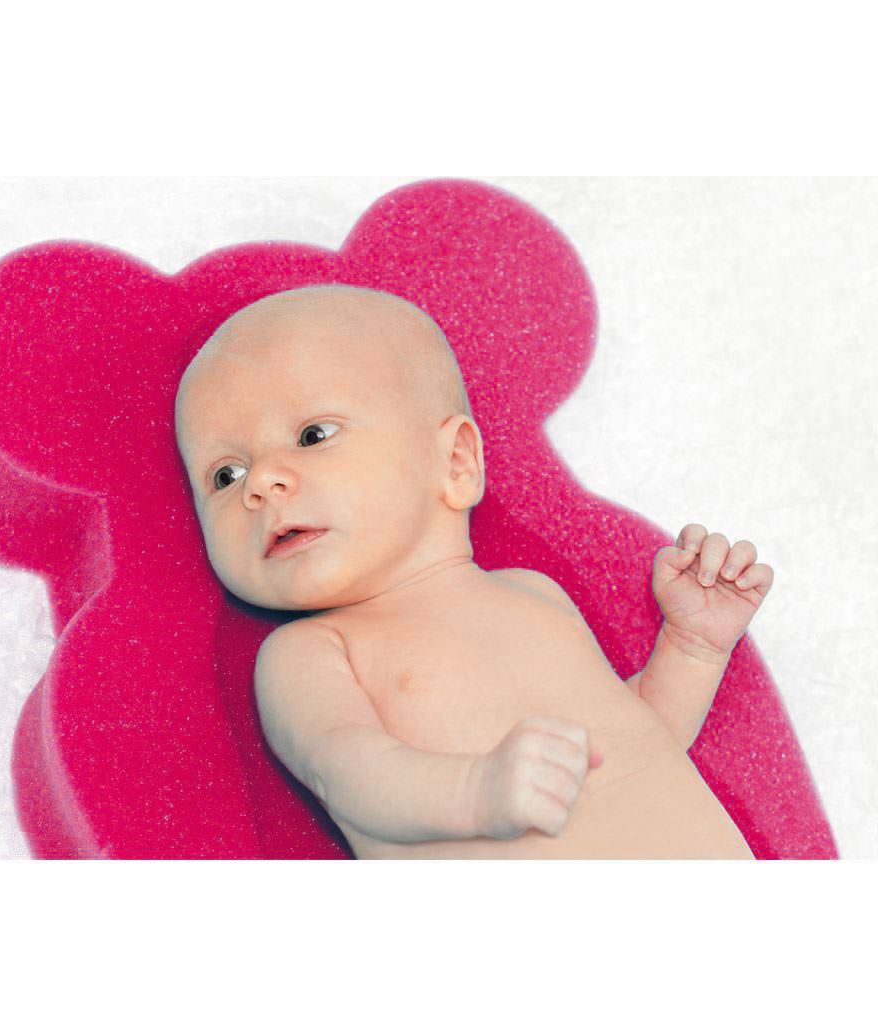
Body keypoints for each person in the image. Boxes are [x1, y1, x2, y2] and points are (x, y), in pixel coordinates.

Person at [174, 284, 772, 858]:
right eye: (225, 475)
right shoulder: (309, 654)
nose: (261, 483)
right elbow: (348, 772)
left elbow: (638, 745)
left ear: (456, 462)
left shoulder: (535, 595)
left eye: (312, 435)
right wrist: (475, 790)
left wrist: (693, 647)